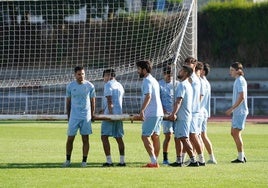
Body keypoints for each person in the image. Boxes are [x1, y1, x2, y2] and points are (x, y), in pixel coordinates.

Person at [63, 66, 96, 168]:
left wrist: (92, 114)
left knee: (85, 139)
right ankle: (68, 160)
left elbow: (93, 101)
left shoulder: (90, 86)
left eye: (82, 74)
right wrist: (69, 116)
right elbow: (68, 102)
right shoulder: (70, 86)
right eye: (79, 74)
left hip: (86, 116)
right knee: (70, 139)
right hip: (74, 117)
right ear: (75, 75)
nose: (81, 76)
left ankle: (84, 161)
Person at [168, 65, 199, 167]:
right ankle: (179, 161)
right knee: (177, 138)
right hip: (183, 116)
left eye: (181, 70)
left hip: (183, 116)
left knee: (184, 138)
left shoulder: (182, 85)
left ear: (185, 73)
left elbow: (179, 101)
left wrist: (173, 113)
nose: (179, 72)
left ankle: (194, 161)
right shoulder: (187, 84)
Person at [136, 60, 164, 168]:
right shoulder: (154, 80)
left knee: (145, 136)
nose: (137, 71)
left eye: (138, 69)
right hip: (159, 112)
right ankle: (155, 161)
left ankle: (153, 161)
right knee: (155, 136)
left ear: (144, 69)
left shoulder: (147, 81)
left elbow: (148, 96)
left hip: (152, 113)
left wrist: (142, 110)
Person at [100, 69, 126, 167]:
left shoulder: (108, 85)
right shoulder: (120, 85)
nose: (104, 78)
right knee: (119, 137)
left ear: (108, 76)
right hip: (119, 114)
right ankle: (122, 161)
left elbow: (110, 101)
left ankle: (109, 161)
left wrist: (110, 113)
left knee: (104, 137)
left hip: (110, 115)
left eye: (104, 76)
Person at [183, 58, 206, 166]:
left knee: (193, 135)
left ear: (194, 65)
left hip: (192, 111)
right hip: (193, 111)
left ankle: (200, 159)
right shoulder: (195, 78)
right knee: (191, 135)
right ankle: (194, 159)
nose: (187, 65)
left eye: (190, 63)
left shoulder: (192, 78)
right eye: (186, 63)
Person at [225, 62, 248, 163]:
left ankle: (241, 157)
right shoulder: (238, 80)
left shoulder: (240, 81)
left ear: (238, 71)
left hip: (240, 111)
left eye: (232, 70)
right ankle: (242, 155)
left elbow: (242, 97)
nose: (230, 72)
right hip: (238, 111)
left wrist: (232, 109)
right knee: (234, 133)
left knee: (235, 133)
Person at [158, 65, 178, 165]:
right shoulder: (159, 84)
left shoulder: (176, 84)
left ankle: (180, 158)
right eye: (167, 75)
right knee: (168, 136)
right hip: (165, 115)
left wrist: (174, 112)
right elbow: (158, 100)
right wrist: (164, 111)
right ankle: (165, 158)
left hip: (176, 114)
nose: (169, 77)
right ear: (164, 74)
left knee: (179, 136)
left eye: (170, 75)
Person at [200, 62, 217, 164]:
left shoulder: (201, 82)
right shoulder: (207, 82)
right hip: (204, 112)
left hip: (200, 112)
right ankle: (210, 157)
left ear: (203, 71)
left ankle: (204, 157)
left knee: (197, 136)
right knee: (202, 136)